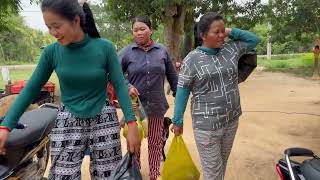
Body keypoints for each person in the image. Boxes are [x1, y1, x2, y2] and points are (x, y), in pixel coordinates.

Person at [0, 0, 140, 179]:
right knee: (61, 175)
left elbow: (120, 86)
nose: (52, 33)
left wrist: (132, 123)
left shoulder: (104, 48)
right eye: (48, 27)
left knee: (109, 176)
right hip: (68, 120)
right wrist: (6, 126)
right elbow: (29, 91)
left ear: (76, 21)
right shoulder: (51, 52)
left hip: (103, 119)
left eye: (56, 26)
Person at [171, 12, 260, 180]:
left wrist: (229, 31)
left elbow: (254, 40)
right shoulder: (192, 59)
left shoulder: (231, 49)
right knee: (212, 171)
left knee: (221, 165)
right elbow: (182, 90)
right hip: (207, 125)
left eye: (222, 31)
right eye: (216, 32)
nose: (221, 36)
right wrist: (177, 120)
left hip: (231, 119)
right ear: (203, 35)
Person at [118, 16, 178, 180]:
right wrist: (128, 86)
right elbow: (115, 74)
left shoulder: (162, 51)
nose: (138, 32)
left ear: (151, 30)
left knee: (155, 142)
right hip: (135, 108)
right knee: (135, 143)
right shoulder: (127, 52)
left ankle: (154, 174)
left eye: (142, 29)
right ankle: (135, 174)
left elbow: (172, 76)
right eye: (135, 30)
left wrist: (178, 95)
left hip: (157, 106)